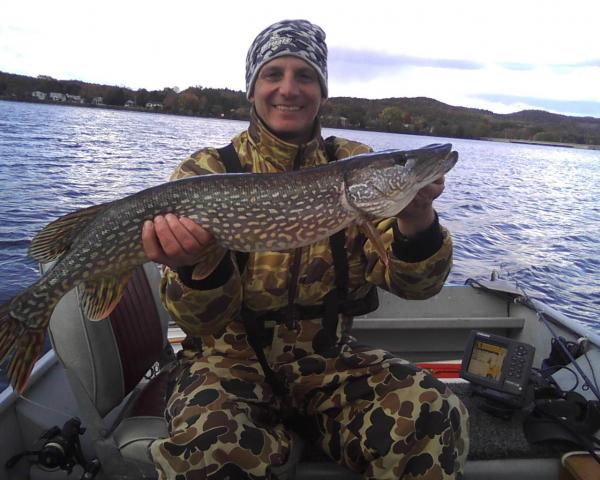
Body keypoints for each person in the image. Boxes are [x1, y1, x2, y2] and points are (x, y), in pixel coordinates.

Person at [142, 19, 469, 480]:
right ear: (252, 89)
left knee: (432, 412)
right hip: (225, 364)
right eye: (273, 74)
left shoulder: (352, 163)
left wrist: (416, 219)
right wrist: (197, 268)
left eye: (306, 76)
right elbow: (195, 321)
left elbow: (416, 287)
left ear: (322, 93)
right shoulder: (206, 170)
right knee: (209, 445)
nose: (289, 89)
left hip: (328, 363)